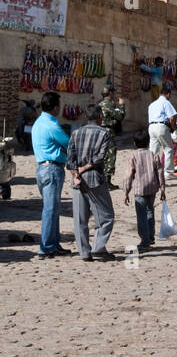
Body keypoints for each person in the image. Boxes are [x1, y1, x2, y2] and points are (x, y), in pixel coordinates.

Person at [66, 104, 115, 262]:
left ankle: (84, 252)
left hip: (77, 180)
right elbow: (100, 157)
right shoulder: (104, 133)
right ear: (100, 116)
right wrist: (83, 169)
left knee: (80, 218)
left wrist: (75, 173)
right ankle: (98, 248)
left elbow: (70, 159)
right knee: (106, 216)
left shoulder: (76, 133)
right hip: (94, 178)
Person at [32, 91, 70, 259]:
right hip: (52, 169)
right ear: (55, 108)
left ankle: (53, 244)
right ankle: (46, 247)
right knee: (50, 209)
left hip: (42, 169)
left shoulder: (38, 123)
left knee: (52, 209)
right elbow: (69, 143)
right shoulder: (52, 126)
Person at [123, 128, 167, 250]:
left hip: (139, 189)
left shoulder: (133, 156)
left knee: (141, 214)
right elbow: (160, 173)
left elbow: (128, 176)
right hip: (152, 189)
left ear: (134, 144)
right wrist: (163, 189)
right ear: (148, 143)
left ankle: (145, 240)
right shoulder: (154, 155)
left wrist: (126, 192)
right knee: (150, 211)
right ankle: (151, 237)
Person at [98, 86, 126, 189]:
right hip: (108, 132)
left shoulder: (99, 104)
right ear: (110, 93)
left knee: (102, 155)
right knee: (110, 156)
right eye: (113, 92)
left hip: (100, 131)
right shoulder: (110, 104)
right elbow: (120, 116)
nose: (114, 94)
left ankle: (102, 180)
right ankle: (107, 182)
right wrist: (122, 105)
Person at [148, 83, 177, 172]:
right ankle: (168, 172)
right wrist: (173, 128)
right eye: (170, 95)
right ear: (168, 94)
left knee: (153, 150)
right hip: (161, 126)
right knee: (168, 148)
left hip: (151, 127)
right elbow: (172, 117)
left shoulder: (152, 104)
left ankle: (153, 170)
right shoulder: (166, 102)